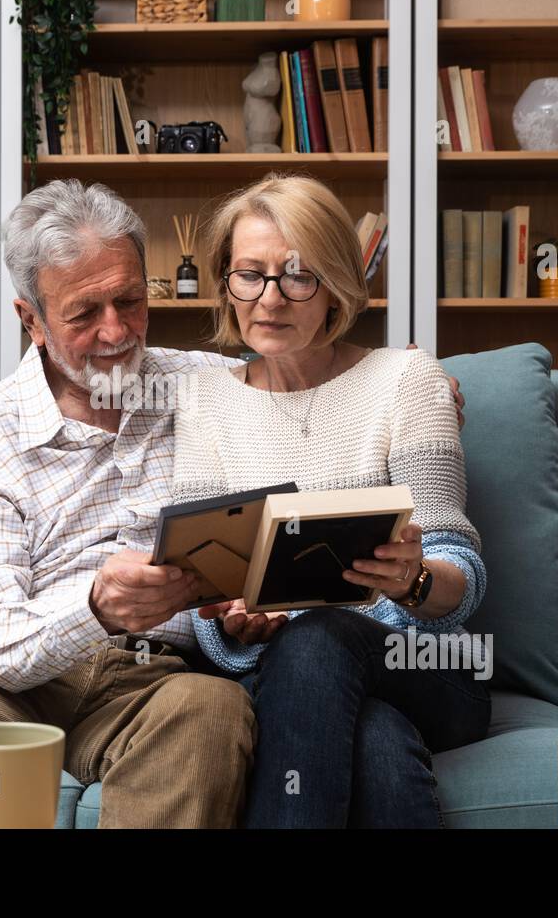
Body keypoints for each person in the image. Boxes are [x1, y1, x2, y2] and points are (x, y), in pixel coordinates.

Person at [0, 178, 467, 828]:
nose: (117, 332)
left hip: (154, 685)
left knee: (214, 712)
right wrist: (94, 608)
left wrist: (421, 389)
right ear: (30, 319)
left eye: (130, 301)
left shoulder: (205, 386)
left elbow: (299, 370)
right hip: (1, 687)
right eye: (84, 313)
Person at [173, 173, 491, 828]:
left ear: (337, 285)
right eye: (248, 275)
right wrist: (232, 623)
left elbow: (460, 573)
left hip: (427, 661)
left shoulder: (408, 379)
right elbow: (202, 596)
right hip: (288, 680)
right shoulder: (203, 402)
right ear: (224, 283)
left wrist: (415, 579)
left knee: (317, 633)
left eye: (297, 275)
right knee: (374, 741)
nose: (269, 298)